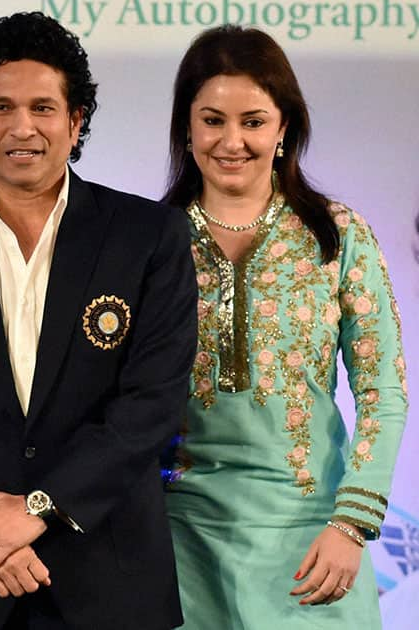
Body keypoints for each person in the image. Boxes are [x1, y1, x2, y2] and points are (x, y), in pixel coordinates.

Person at [0, 12, 196, 630]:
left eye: (44, 108)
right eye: (2, 107)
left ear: (76, 123)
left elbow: (151, 403)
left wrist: (40, 508)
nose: (23, 128)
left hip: (111, 580)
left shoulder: (147, 236)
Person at [162, 25, 408, 628]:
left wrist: (351, 524)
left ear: (284, 128)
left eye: (253, 120)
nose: (232, 141)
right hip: (178, 537)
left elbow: (383, 392)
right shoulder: (148, 241)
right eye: (212, 120)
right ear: (187, 128)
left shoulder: (338, 234)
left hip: (314, 541)